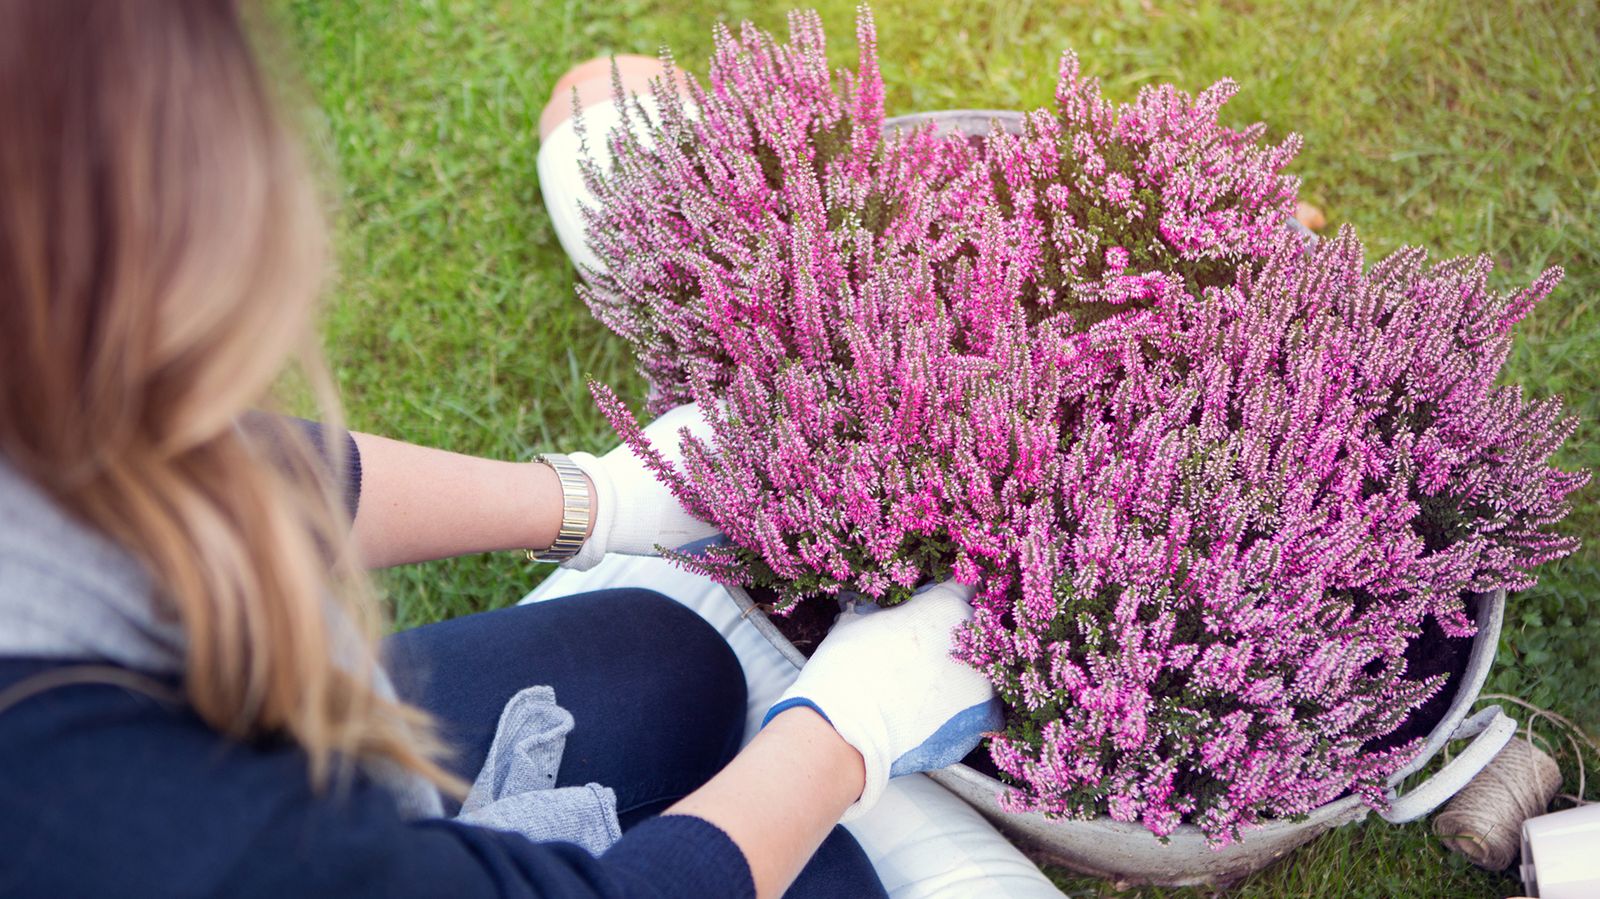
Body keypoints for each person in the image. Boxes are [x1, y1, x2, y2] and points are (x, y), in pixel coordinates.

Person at [0, 3, 999, 898]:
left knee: (669, 665)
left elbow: (158, 465)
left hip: (272, 768)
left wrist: (594, 501)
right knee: (833, 866)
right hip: (237, 842)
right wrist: (843, 734)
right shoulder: (118, 818)